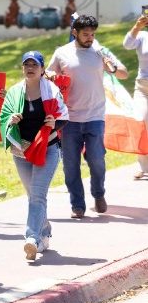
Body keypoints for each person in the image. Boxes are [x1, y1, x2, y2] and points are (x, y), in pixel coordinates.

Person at [47, 15, 128, 218]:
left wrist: (113, 66)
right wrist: (51, 77)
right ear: (74, 32)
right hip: (69, 118)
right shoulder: (62, 53)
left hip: (95, 116)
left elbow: (124, 73)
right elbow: (47, 75)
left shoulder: (100, 51)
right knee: (70, 164)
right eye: (86, 34)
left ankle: (98, 194)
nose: (90, 38)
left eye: (92, 34)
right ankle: (78, 204)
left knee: (97, 160)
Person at [0, 51, 68, 261]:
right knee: (33, 196)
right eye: (26, 64)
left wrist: (53, 123)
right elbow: (3, 118)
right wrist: (12, 119)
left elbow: (64, 116)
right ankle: (44, 230)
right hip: (22, 150)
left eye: (34, 65)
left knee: (38, 195)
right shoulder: (14, 92)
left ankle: (31, 238)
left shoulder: (52, 90)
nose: (30, 68)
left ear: (42, 69)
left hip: (48, 147)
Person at [122, 13, 148, 179]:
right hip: (143, 87)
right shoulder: (143, 36)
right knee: (141, 122)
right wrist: (137, 27)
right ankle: (143, 166)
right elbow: (127, 44)